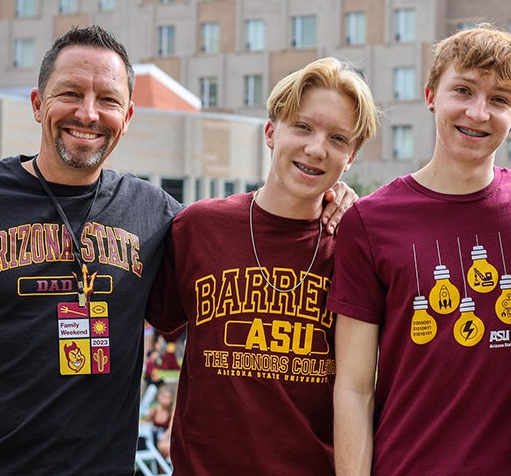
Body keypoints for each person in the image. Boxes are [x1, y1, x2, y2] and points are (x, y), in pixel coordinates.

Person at [0, 26, 356, 476]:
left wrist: (334, 195)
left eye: (107, 100)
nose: (88, 113)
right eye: (70, 93)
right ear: (38, 103)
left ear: (126, 118)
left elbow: (253, 224)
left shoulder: (159, 215)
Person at [328, 25, 511, 475]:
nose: (477, 112)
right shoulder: (369, 222)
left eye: (499, 99)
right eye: (463, 90)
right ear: (431, 94)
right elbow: (354, 387)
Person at [147, 56, 379, 475]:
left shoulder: (355, 247)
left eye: (338, 139)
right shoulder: (198, 227)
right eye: (303, 127)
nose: (315, 148)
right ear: (272, 132)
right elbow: (145, 333)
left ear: (352, 157)